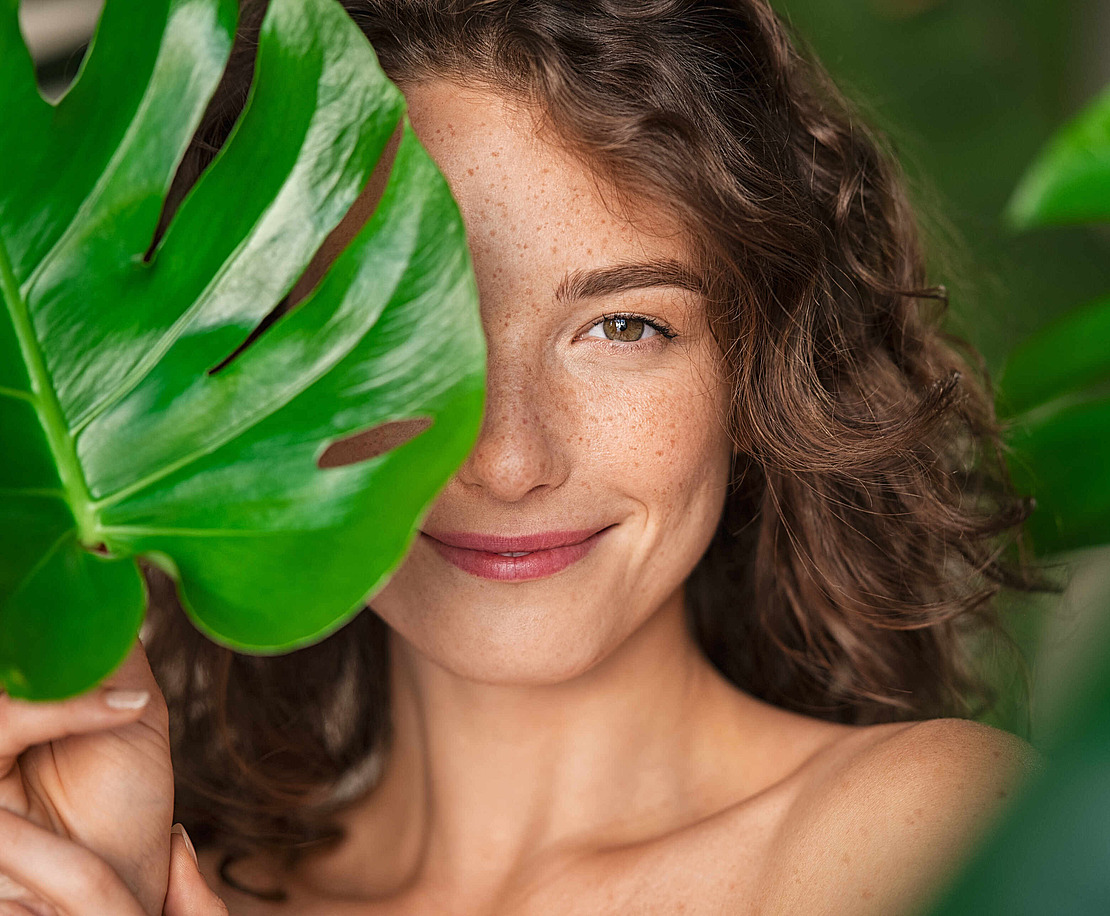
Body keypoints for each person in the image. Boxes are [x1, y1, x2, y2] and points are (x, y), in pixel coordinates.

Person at [0, 1, 1042, 913]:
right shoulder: (143, 886)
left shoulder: (927, 835)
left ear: (755, 370)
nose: (506, 459)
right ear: (257, 373)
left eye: (624, 327)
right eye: (400, 337)